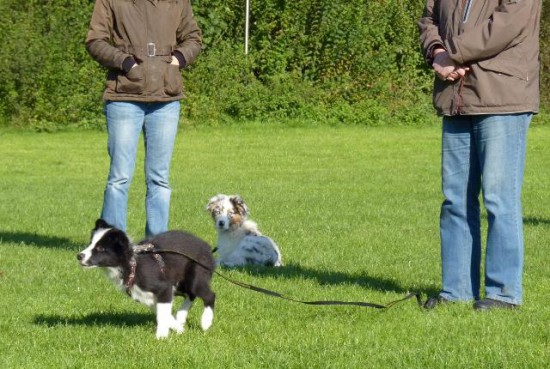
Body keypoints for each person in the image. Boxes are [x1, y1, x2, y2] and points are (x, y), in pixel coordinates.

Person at [418, 0, 541, 310]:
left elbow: (507, 25)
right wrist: (436, 51)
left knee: (500, 198)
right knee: (455, 199)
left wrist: (452, 53)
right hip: (456, 96)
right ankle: (456, 290)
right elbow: (429, 18)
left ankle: (503, 293)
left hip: (503, 96)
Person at [85, 0, 202, 237]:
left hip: (166, 99)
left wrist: (178, 59)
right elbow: (95, 40)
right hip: (124, 96)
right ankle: (111, 243)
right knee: (120, 177)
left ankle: (157, 245)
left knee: (159, 179)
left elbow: (193, 38)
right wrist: (125, 62)